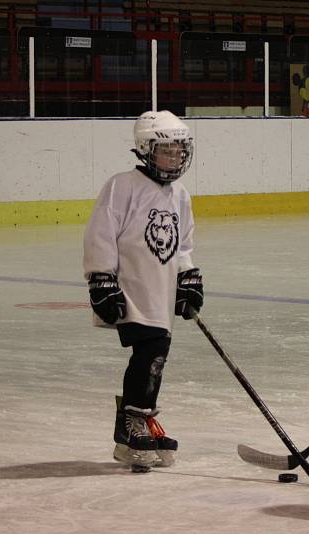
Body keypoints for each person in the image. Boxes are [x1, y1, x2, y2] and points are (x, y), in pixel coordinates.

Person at [82, 110, 204, 470]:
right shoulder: (122, 186)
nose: (176, 157)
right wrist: (101, 278)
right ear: (146, 150)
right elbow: (100, 233)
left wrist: (188, 276)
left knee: (157, 354)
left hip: (161, 292)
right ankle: (131, 424)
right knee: (149, 351)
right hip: (130, 288)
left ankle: (141, 418)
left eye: (180, 150)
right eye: (167, 150)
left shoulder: (179, 194)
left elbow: (183, 245)